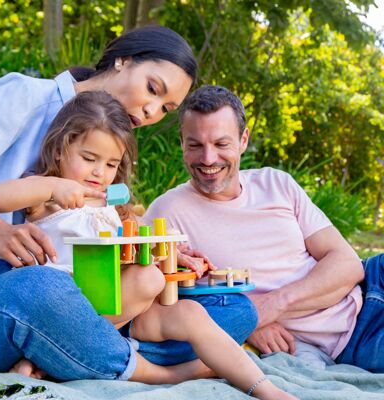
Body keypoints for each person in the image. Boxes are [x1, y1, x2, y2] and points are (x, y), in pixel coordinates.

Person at [0, 26, 252, 386]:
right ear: (123, 60)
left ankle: (61, 351)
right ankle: (153, 370)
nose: (152, 110)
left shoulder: (109, 154)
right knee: (39, 289)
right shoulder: (27, 95)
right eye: (153, 89)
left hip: (73, 293)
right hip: (7, 285)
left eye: (166, 108)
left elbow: (100, 233)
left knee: (235, 309)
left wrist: (155, 253)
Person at [0, 91, 297, 399]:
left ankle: (266, 389)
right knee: (82, 293)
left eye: (110, 164)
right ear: (60, 151)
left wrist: (173, 255)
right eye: (89, 158)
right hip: (63, 308)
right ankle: (144, 367)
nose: (99, 172)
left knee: (187, 304)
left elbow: (138, 246)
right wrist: (53, 187)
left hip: (122, 313)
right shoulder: (46, 200)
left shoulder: (110, 206)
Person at [144, 84, 384, 373]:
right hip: (353, 339)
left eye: (221, 144)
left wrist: (266, 309)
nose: (208, 159)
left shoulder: (276, 183)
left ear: (243, 139)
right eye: (195, 145)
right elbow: (156, 303)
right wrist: (243, 323)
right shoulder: (166, 214)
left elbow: (348, 265)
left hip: (371, 282)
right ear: (182, 142)